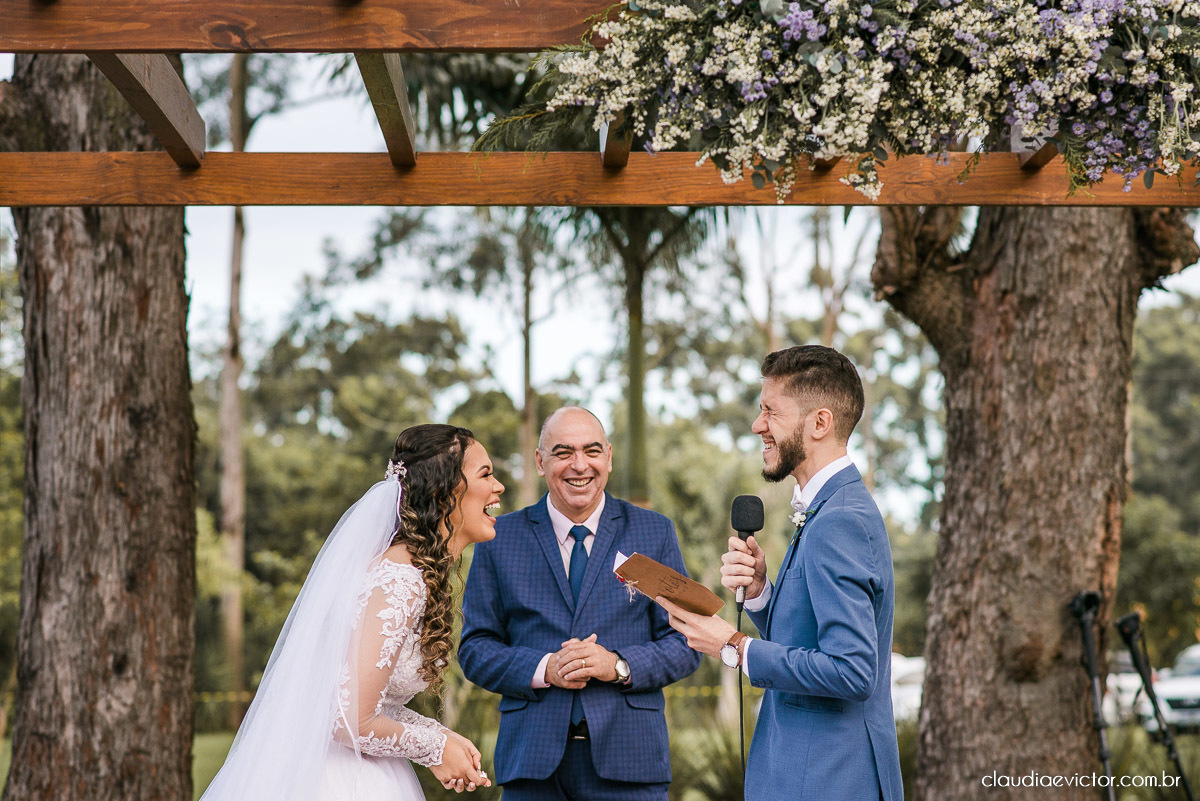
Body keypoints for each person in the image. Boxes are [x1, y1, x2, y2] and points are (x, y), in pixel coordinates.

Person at [200, 424, 502, 801]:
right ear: (444, 491)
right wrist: (433, 748)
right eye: (485, 474)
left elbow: (369, 703)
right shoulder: (399, 581)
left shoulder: (412, 573)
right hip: (341, 781)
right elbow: (347, 719)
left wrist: (441, 738)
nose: (498, 486)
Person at [656, 346, 904, 801]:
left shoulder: (839, 520)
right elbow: (811, 640)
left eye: (771, 411)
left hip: (830, 779)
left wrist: (733, 646)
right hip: (804, 774)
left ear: (819, 423)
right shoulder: (827, 510)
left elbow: (851, 671)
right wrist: (761, 593)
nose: (757, 425)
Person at [459, 406, 701, 801]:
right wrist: (545, 668)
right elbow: (475, 649)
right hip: (532, 766)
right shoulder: (499, 538)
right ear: (540, 461)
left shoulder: (654, 532)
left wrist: (618, 665)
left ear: (608, 455)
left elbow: (687, 643)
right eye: (563, 452)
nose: (579, 465)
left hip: (631, 763)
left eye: (591, 451)